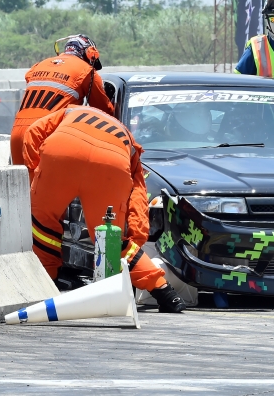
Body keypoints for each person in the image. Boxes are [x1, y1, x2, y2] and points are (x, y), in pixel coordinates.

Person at [22, 105, 186, 313]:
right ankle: (165, 293)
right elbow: (138, 201)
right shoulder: (130, 142)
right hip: (112, 163)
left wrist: (35, 173)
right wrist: (134, 239)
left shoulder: (70, 111)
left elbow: (32, 132)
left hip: (62, 151)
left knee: (43, 224)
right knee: (110, 239)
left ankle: (47, 287)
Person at [10, 34, 114, 167]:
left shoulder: (38, 66)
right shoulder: (86, 70)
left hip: (17, 134)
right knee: (53, 186)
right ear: (90, 53)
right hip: (46, 133)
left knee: (21, 186)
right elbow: (104, 113)